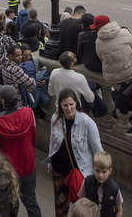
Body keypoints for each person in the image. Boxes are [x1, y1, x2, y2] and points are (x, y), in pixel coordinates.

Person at [47, 89, 103, 217]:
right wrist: (50, 163)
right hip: (59, 172)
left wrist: (100, 178)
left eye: (71, 104)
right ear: (60, 105)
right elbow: (52, 142)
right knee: (60, 209)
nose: (69, 108)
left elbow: (98, 151)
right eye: (65, 105)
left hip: (80, 174)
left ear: (76, 103)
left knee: (81, 211)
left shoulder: (87, 122)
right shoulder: (55, 118)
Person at [0, 84, 42, 217]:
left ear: (2, 100)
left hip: (7, 171)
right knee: (31, 202)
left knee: (8, 206)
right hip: (27, 166)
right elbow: (33, 138)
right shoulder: (28, 113)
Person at [94, 15, 132, 85]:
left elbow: (101, 58)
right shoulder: (124, 32)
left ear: (99, 27)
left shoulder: (98, 42)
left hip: (113, 78)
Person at [77, 151, 124, 217]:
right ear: (93, 168)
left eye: (104, 172)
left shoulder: (114, 188)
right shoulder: (87, 182)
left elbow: (119, 210)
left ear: (110, 171)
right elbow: (80, 203)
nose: (100, 175)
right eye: (97, 171)